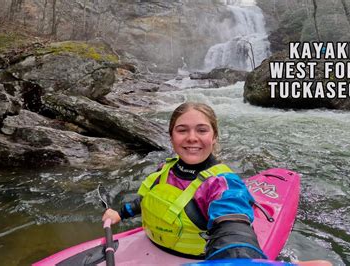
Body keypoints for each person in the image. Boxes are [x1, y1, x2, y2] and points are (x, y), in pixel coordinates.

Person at [102, 102, 266, 260]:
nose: (192, 138)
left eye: (202, 130)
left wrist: (238, 257)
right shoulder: (165, 169)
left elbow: (232, 228)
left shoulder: (223, 184)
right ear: (171, 137)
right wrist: (120, 213)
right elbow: (148, 199)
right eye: (182, 130)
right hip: (152, 247)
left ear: (214, 137)